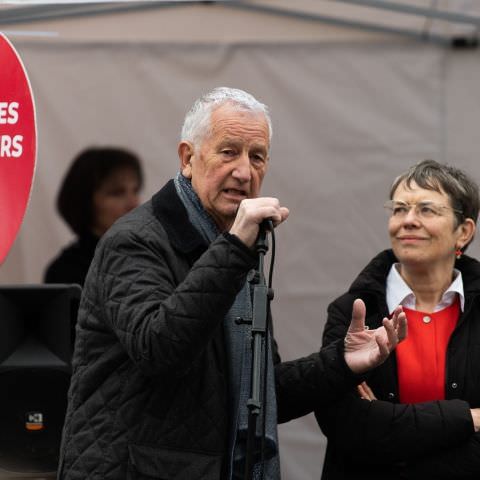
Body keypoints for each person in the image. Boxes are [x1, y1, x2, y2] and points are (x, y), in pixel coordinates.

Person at [57, 87, 406, 480]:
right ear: (188, 159)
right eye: (228, 152)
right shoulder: (136, 240)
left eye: (257, 157)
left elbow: (264, 391)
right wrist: (235, 247)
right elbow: (158, 349)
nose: (244, 172)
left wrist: (341, 363)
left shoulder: (236, 250)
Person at [316, 159, 480, 480]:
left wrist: (392, 429)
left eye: (427, 210)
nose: (408, 221)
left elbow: (376, 433)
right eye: (399, 209)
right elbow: (349, 427)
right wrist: (469, 419)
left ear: (463, 232)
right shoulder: (352, 312)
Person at [44, 147, 143, 286]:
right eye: (117, 193)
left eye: (135, 190)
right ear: (85, 201)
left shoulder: (151, 259)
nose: (133, 203)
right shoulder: (66, 273)